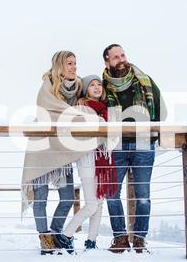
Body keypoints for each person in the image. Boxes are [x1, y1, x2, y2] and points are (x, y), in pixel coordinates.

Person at [21, 51, 91, 255]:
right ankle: (45, 239)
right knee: (41, 198)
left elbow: (90, 104)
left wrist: (83, 103)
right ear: (60, 65)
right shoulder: (47, 86)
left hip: (63, 150)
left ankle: (55, 233)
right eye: (69, 63)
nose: (74, 67)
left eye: (76, 63)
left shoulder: (79, 88)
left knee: (68, 198)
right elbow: (50, 111)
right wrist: (76, 113)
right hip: (42, 146)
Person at [102, 44, 166, 253]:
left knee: (143, 195)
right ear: (107, 62)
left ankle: (139, 240)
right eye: (115, 57)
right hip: (116, 145)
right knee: (112, 193)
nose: (121, 59)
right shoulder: (102, 86)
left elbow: (160, 109)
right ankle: (120, 239)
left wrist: (152, 135)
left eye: (122, 55)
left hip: (142, 144)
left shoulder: (144, 81)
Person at [53, 75, 118, 252]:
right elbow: (86, 131)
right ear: (86, 90)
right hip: (88, 158)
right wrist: (104, 125)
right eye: (92, 85)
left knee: (99, 202)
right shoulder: (81, 108)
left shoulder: (105, 109)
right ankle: (65, 236)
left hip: (103, 159)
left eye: (99, 84)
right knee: (91, 204)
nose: (97, 87)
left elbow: (113, 136)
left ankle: (91, 241)